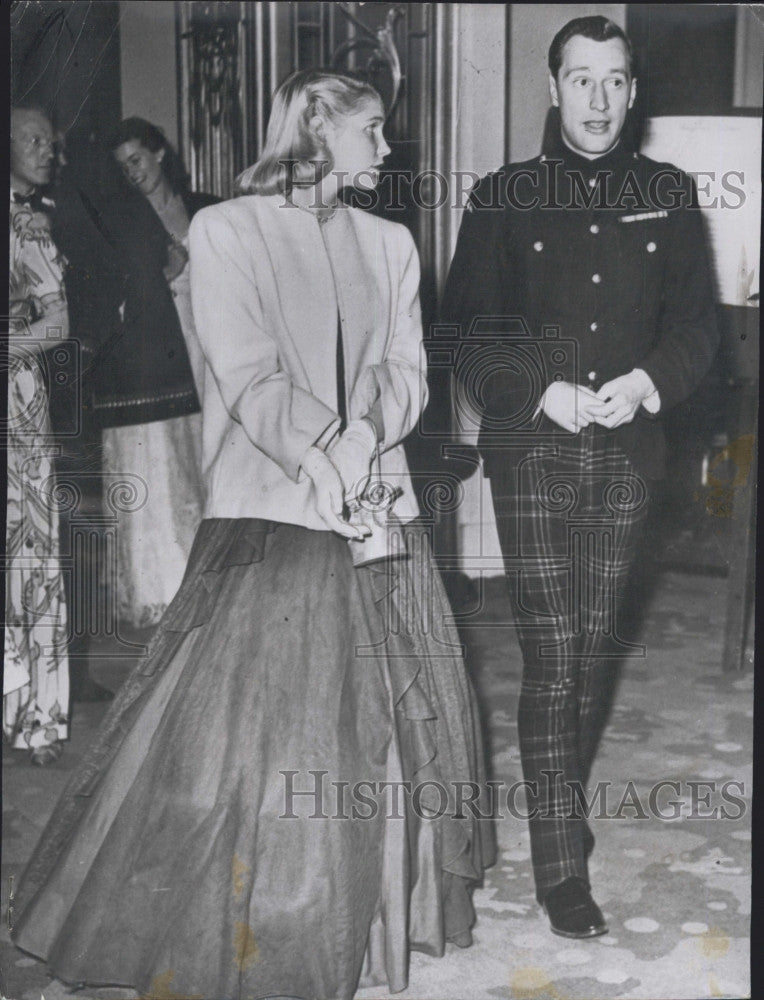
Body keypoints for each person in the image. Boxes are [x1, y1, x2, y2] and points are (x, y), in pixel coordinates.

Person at [11, 70, 494, 1000]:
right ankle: (264, 915)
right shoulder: (225, 229)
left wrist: (362, 439)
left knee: (389, 724)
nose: (387, 150)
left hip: (375, 501)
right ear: (315, 129)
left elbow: (408, 368)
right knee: (256, 734)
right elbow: (244, 369)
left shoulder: (393, 242)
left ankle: (371, 912)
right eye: (372, 130)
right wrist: (322, 450)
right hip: (272, 508)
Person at [441, 16, 718, 938]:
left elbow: (696, 330)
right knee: (554, 652)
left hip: (629, 450)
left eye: (615, 81)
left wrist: (646, 385)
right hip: (535, 449)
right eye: (581, 80)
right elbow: (471, 329)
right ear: (553, 88)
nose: (598, 100)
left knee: (592, 649)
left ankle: (561, 800)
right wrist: (541, 392)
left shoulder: (671, 195)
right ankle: (563, 864)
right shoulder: (504, 196)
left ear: (633, 92)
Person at [97, 118, 217, 629]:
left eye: (138, 160)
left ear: (160, 154)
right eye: (124, 167)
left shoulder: (206, 208)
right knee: (164, 471)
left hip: (209, 346)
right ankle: (168, 589)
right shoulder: (120, 222)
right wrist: (162, 274)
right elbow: (110, 301)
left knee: (210, 463)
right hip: (157, 357)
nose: (133, 173)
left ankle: (216, 583)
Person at [5, 106, 70, 764]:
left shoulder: (32, 226)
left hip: (18, 404)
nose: (46, 149)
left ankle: (37, 715)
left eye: (50, 141)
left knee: (30, 557)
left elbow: (56, 327)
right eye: (32, 140)